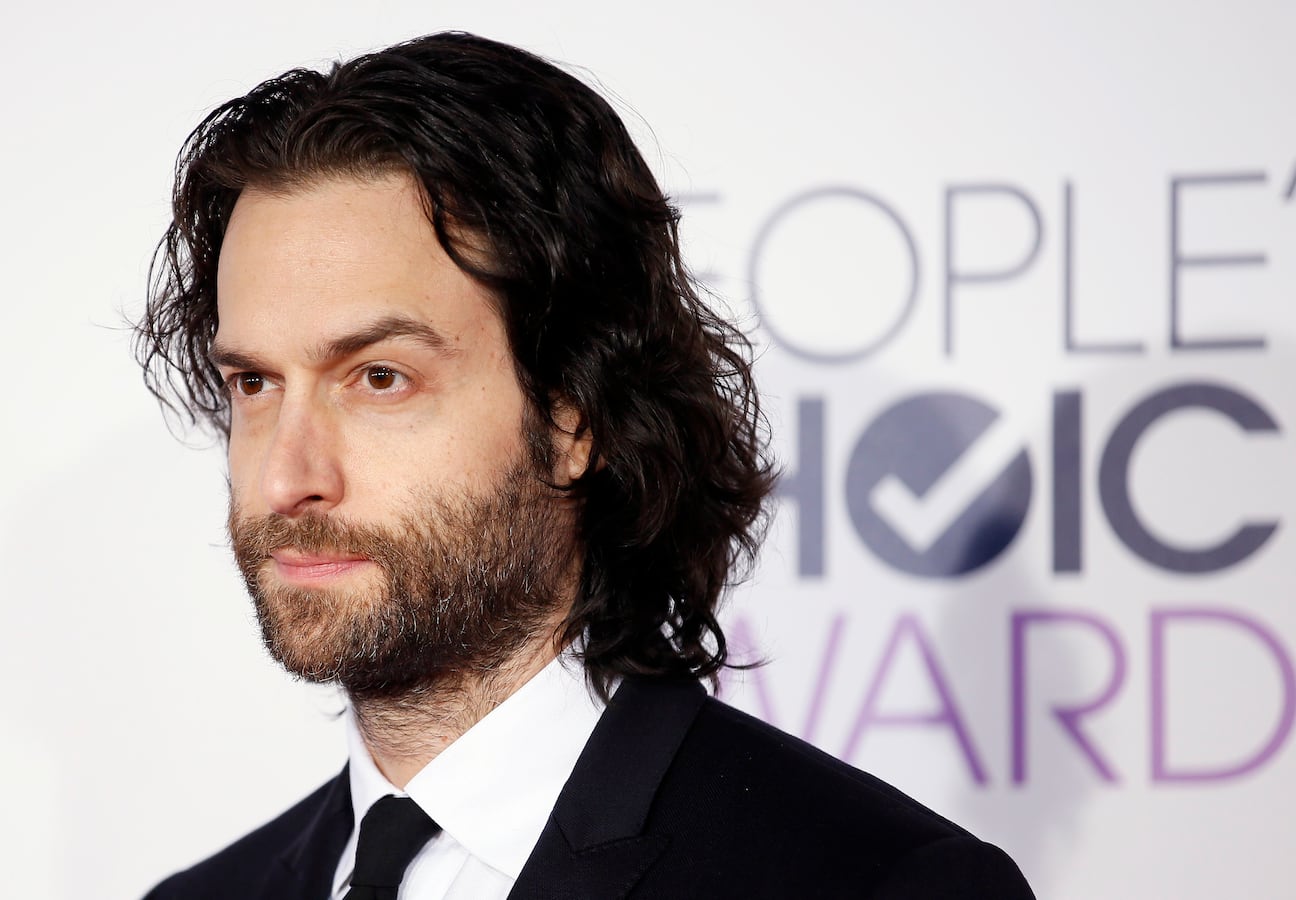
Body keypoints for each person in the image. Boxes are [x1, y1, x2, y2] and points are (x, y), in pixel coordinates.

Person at [134, 31, 1035, 900]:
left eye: (380, 378)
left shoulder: (876, 884)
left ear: (574, 415)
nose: (287, 478)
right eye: (254, 382)